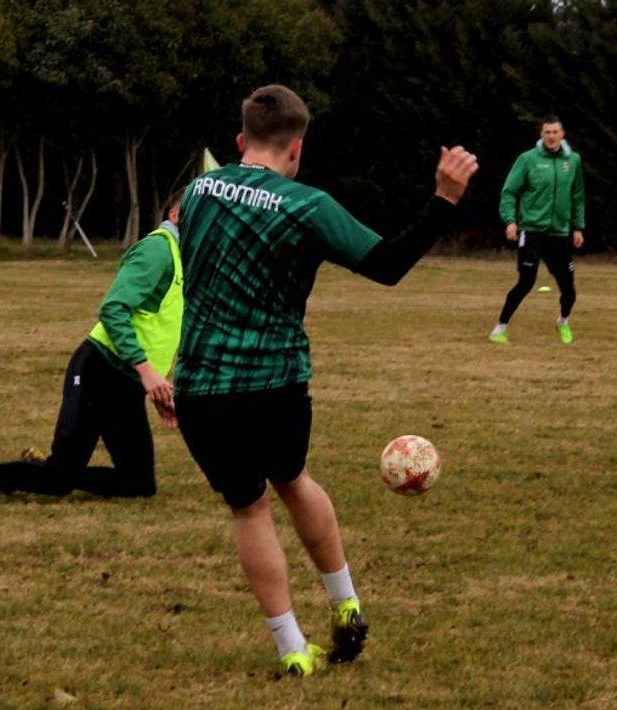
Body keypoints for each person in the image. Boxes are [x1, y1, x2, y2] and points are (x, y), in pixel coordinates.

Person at [175, 84, 478, 677]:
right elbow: (386, 264)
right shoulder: (307, 206)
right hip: (275, 381)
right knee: (292, 479)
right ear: (297, 147)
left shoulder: (197, 192)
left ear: (240, 139)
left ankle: (292, 648)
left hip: (202, 386)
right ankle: (346, 603)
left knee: (249, 510)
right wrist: (443, 200)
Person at [0, 199, 182, 500]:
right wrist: (146, 370)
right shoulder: (158, 249)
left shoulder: (183, 259)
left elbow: (159, 327)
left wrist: (154, 383)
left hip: (128, 382)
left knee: (138, 484)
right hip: (100, 370)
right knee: (59, 478)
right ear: (175, 213)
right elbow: (113, 309)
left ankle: (31, 471)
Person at [489, 115, 585, 345]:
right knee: (526, 281)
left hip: (559, 233)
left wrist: (578, 227)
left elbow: (577, 196)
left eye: (555, 132)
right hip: (531, 230)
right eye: (547, 132)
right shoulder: (528, 159)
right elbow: (509, 192)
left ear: (562, 134)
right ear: (541, 135)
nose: (551, 136)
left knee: (569, 290)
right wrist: (510, 221)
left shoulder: (573, 161)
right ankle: (499, 329)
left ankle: (563, 321)